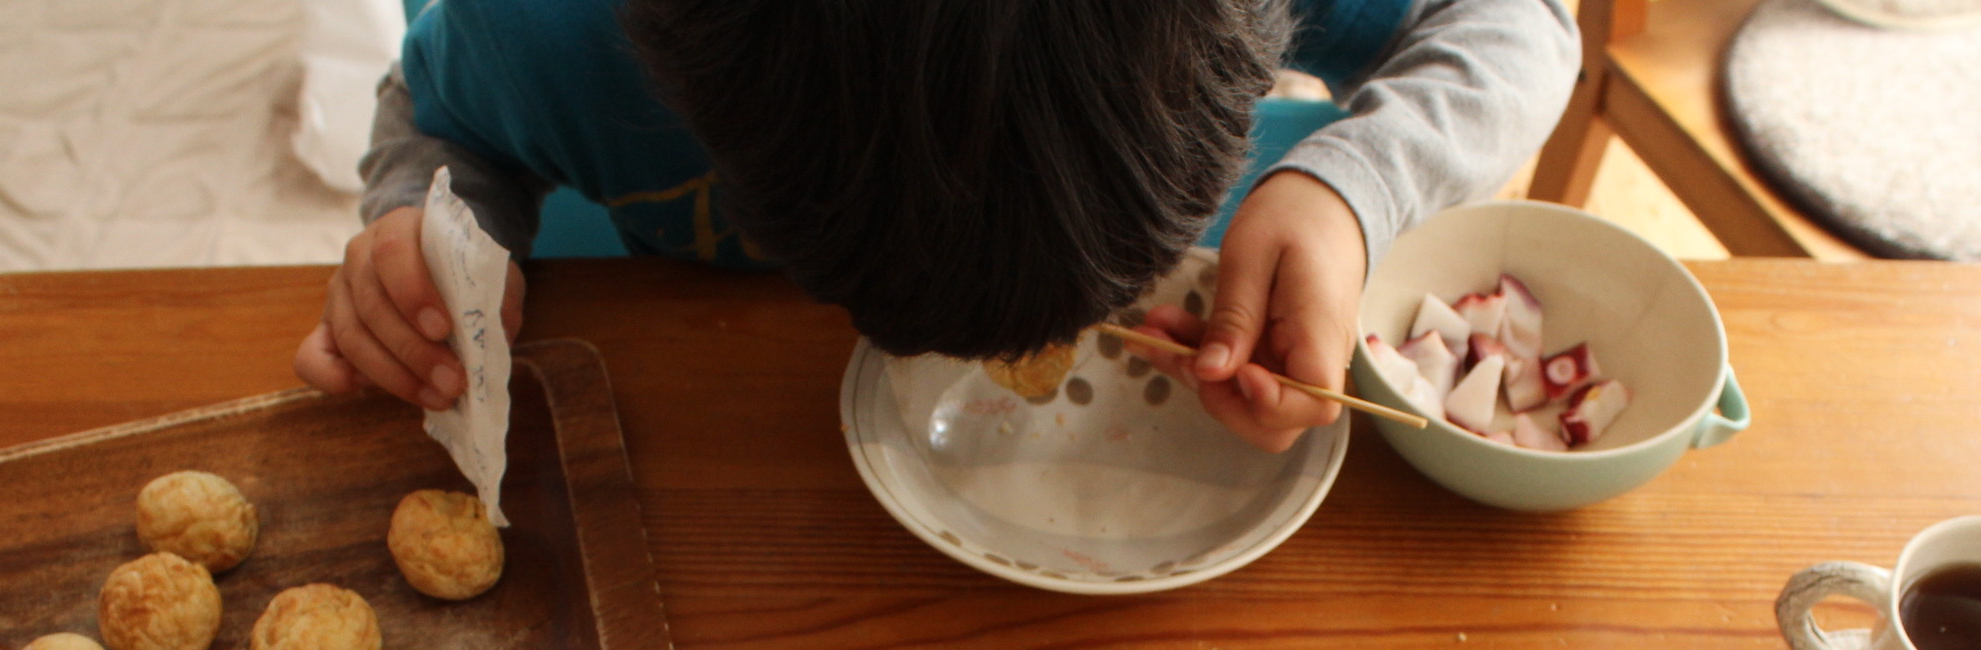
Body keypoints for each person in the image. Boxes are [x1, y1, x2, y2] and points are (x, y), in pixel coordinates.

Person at [293, 0, 1577, 454]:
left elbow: (1521, 21)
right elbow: (441, 112)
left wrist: (1350, 193)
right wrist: (425, 222)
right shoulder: (554, 33)